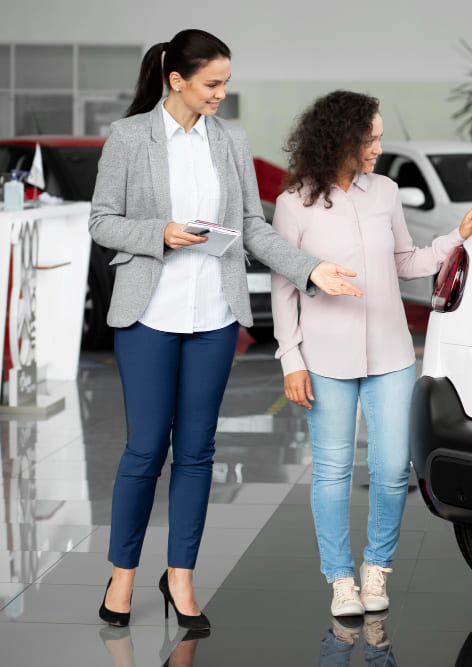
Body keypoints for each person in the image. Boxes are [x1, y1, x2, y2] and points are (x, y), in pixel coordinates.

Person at [89, 29, 361, 631]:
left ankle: (180, 578)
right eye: (212, 84)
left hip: (213, 315)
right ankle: (122, 575)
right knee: (145, 449)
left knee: (197, 451)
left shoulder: (229, 137)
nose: (220, 94)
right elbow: (102, 221)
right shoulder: (130, 137)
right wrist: (159, 232)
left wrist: (309, 268)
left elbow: (252, 227)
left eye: (226, 84)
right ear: (176, 80)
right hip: (148, 314)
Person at [271, 90, 472, 617]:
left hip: (391, 354)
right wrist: (290, 359)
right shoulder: (294, 202)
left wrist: (457, 237)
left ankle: (377, 568)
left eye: (378, 137)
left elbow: (405, 262)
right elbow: (284, 286)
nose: (377, 148)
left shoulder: (386, 192)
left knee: (394, 468)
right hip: (324, 358)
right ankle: (339, 578)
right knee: (332, 471)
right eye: (369, 139)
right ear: (340, 139)